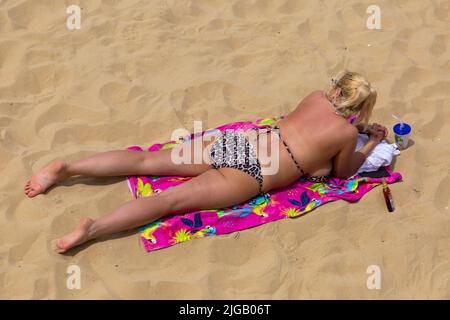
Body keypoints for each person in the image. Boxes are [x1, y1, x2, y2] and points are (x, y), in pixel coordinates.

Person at [24, 70, 388, 253]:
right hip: (259, 172)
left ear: (337, 90)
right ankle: (91, 230)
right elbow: (342, 172)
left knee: (149, 162)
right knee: (169, 202)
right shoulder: (345, 134)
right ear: (359, 109)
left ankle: (65, 168)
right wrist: (370, 143)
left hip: (244, 142)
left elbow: (304, 128)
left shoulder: (314, 97)